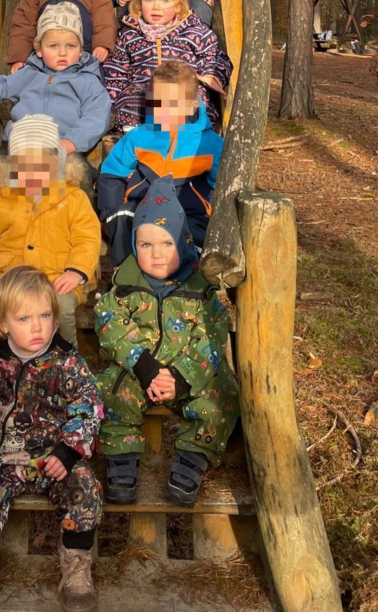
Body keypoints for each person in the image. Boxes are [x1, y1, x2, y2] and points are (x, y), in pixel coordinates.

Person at [0, 266, 103, 611]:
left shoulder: (66, 362)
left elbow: (89, 406)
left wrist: (68, 451)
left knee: (85, 488)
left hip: (51, 456)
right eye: (24, 318)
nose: (37, 327)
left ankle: (76, 565)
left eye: (44, 315)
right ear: (4, 323)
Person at [95, 176, 238, 508]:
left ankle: (192, 459)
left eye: (166, 243)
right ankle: (121, 459)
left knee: (223, 396)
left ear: (184, 242)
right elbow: (108, 321)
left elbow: (211, 335)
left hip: (187, 373)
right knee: (110, 391)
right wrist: (143, 366)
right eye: (145, 245)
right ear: (134, 246)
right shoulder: (127, 285)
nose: (156, 254)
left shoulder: (199, 289)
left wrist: (181, 377)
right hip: (139, 370)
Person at [0, 115, 101, 345]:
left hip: (56, 278)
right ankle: (6, 355)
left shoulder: (73, 198)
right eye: (24, 167)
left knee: (62, 308)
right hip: (10, 282)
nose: (33, 174)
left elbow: (87, 238)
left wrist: (76, 271)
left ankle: (65, 357)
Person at [98, 60, 223, 265]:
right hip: (143, 207)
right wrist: (109, 210)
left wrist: (215, 215)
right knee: (121, 215)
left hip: (186, 210)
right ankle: (126, 272)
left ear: (192, 105)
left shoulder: (210, 144)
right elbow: (113, 170)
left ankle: (185, 278)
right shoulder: (140, 136)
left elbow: (222, 185)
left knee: (193, 235)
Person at [0, 2, 111, 160]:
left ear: (80, 50)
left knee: (79, 173)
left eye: (71, 46)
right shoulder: (29, 73)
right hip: (20, 143)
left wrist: (72, 141)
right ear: (39, 50)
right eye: (53, 46)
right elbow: (3, 86)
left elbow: (98, 114)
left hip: (61, 145)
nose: (62, 53)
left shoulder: (87, 80)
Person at [103, 0, 232, 129]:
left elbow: (216, 56)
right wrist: (111, 100)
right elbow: (117, 69)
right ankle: (135, 133)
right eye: (149, 0)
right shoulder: (130, 34)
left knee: (194, 100)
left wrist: (211, 75)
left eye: (164, 1)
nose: (156, 6)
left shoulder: (194, 31)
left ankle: (190, 132)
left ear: (178, 5)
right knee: (132, 97)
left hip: (182, 88)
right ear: (139, 2)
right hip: (144, 88)